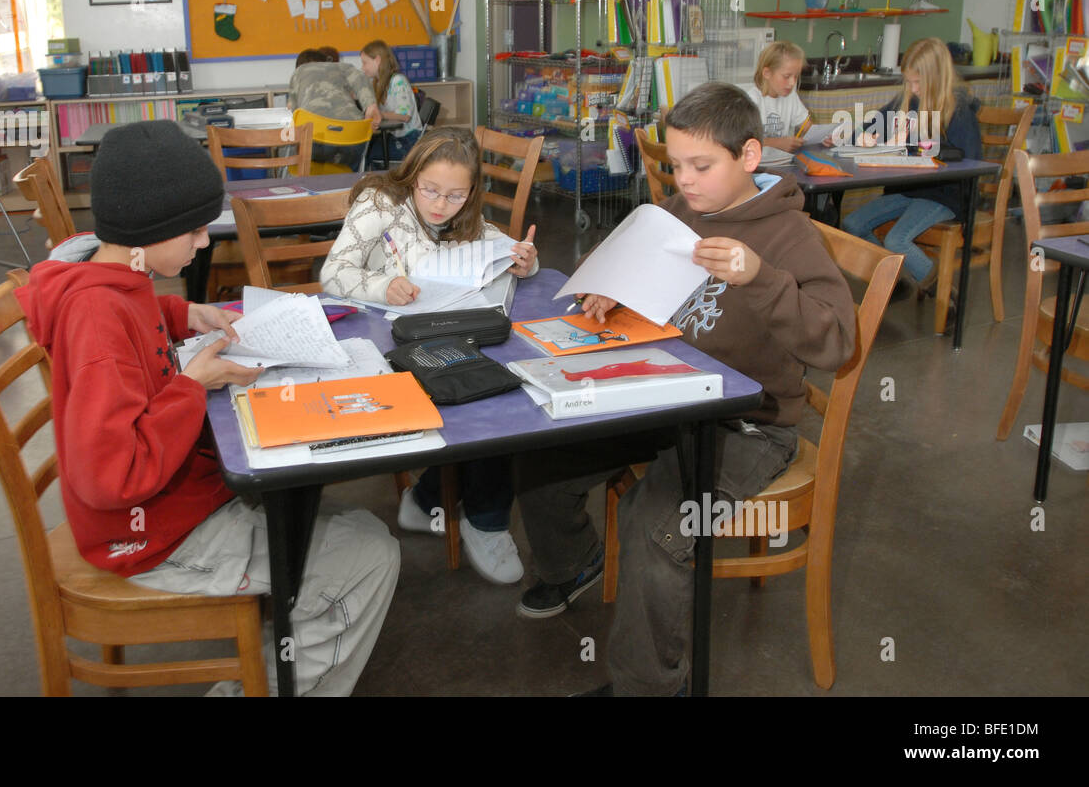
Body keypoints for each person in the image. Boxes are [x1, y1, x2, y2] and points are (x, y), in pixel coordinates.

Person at [14, 120, 400, 696]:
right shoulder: (96, 320)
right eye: (194, 231)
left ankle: (283, 629)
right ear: (150, 233)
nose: (203, 242)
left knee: (325, 509)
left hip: (171, 504)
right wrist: (192, 386)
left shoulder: (113, 275)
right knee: (370, 556)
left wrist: (182, 314)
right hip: (146, 537)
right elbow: (108, 476)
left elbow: (132, 320)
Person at [511, 82, 855, 696]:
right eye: (675, 165)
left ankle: (648, 689)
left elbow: (835, 344)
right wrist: (614, 284)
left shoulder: (790, 237)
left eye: (702, 165)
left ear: (749, 156)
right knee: (540, 449)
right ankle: (575, 563)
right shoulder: (680, 209)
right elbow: (635, 256)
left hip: (749, 421)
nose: (685, 180)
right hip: (669, 390)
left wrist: (763, 279)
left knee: (657, 528)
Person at [319, 127, 539, 584]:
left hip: (443, 331)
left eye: (456, 195)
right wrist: (383, 285)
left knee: (497, 393)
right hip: (384, 344)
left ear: (472, 191)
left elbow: (499, 246)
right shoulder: (381, 202)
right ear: (413, 174)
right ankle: (480, 518)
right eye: (430, 190)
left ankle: (434, 501)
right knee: (482, 399)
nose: (441, 205)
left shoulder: (465, 214)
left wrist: (524, 260)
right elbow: (333, 272)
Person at [840, 37, 982, 294]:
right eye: (909, 81)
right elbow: (869, 126)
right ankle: (900, 280)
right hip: (908, 191)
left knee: (897, 239)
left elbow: (969, 164)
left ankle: (943, 293)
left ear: (938, 79)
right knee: (852, 224)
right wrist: (858, 137)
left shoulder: (960, 113)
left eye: (918, 82)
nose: (912, 88)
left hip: (945, 195)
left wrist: (919, 152)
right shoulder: (907, 102)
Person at [287, 54, 382, 170]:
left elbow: (291, 114)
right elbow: (360, 78)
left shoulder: (299, 72)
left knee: (304, 153)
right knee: (350, 166)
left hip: (315, 137)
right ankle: (348, 184)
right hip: (352, 134)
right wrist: (370, 105)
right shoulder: (345, 67)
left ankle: (312, 184)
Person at [739, 41, 815, 154]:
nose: (792, 83)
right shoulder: (751, 100)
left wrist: (824, 137)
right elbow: (741, 142)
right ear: (767, 73)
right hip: (756, 165)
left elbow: (809, 127)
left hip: (782, 163)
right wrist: (777, 143)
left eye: (796, 76)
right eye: (787, 76)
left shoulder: (791, 96)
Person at [361, 39, 423, 161]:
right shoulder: (378, 83)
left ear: (377, 60)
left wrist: (381, 115)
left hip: (409, 141)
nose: (363, 68)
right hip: (397, 137)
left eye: (365, 63)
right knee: (365, 148)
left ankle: (381, 178)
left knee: (366, 153)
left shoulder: (398, 81)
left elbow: (405, 116)